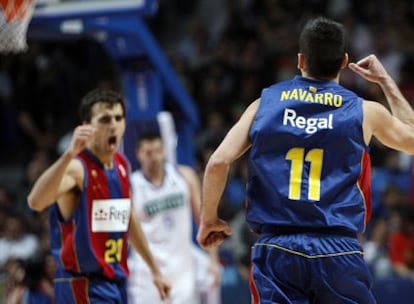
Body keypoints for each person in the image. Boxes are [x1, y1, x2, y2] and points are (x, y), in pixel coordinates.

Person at [196, 16, 414, 304]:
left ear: (300, 60)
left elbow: (217, 163)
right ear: (344, 60)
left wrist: (208, 219)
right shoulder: (364, 111)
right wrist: (386, 82)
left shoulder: (264, 104)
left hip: (278, 249)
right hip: (338, 250)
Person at [27, 88, 171, 303]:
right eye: (105, 119)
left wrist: (155, 270)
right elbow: (35, 202)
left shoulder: (122, 164)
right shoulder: (77, 168)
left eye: (118, 118)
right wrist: (68, 154)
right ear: (87, 126)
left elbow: (127, 219)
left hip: (115, 280)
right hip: (82, 284)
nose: (113, 124)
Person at [127, 132, 221, 304]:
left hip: (182, 271)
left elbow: (205, 220)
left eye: (157, 151)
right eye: (148, 152)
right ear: (138, 154)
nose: (154, 157)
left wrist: (213, 260)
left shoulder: (184, 176)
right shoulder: (131, 186)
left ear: (164, 151)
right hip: (147, 274)